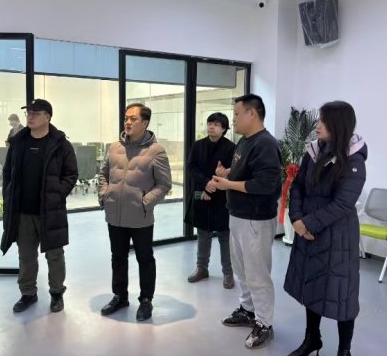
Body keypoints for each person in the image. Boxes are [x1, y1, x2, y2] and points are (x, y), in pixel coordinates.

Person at [284, 101, 367, 356]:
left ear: (337, 124)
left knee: (342, 293)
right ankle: (312, 339)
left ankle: (344, 350)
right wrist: (296, 219)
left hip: (337, 236)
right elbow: (298, 186)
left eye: (323, 121)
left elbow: (343, 204)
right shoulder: (313, 152)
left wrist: (306, 223)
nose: (317, 125)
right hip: (308, 231)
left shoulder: (353, 159)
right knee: (312, 285)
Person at [211, 94, 282, 350]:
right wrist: (228, 174)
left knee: (257, 273)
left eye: (237, 114)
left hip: (256, 219)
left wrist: (228, 184)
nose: (233, 119)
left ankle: (264, 323)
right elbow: (247, 173)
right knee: (242, 270)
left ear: (252, 114)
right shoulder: (245, 141)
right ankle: (247, 310)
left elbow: (266, 184)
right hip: (238, 215)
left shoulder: (266, 144)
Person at [0, 99, 78, 314]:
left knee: (54, 255)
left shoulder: (60, 144)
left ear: (47, 117)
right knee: (26, 255)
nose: (30, 116)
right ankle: (28, 293)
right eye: (29, 113)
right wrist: (8, 193)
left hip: (49, 211)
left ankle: (56, 293)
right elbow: (7, 172)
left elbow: (71, 174)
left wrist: (57, 194)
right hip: (23, 211)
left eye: (36, 113)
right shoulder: (18, 142)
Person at [98, 103, 172, 322]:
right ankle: (120, 296)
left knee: (145, 258)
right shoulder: (114, 147)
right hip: (115, 214)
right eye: (126, 118)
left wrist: (145, 202)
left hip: (140, 215)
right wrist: (104, 195)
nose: (128, 122)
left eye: (133, 119)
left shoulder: (156, 150)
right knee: (118, 257)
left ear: (145, 122)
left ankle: (146, 300)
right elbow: (103, 174)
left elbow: (164, 184)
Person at [184, 113, 236, 289]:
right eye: (209, 123)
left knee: (224, 235)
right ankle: (202, 268)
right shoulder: (198, 145)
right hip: (202, 194)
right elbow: (191, 167)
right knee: (203, 233)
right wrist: (205, 184)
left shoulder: (231, 148)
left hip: (222, 197)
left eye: (216, 124)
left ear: (224, 128)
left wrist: (213, 185)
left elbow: (233, 171)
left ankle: (228, 272)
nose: (211, 127)